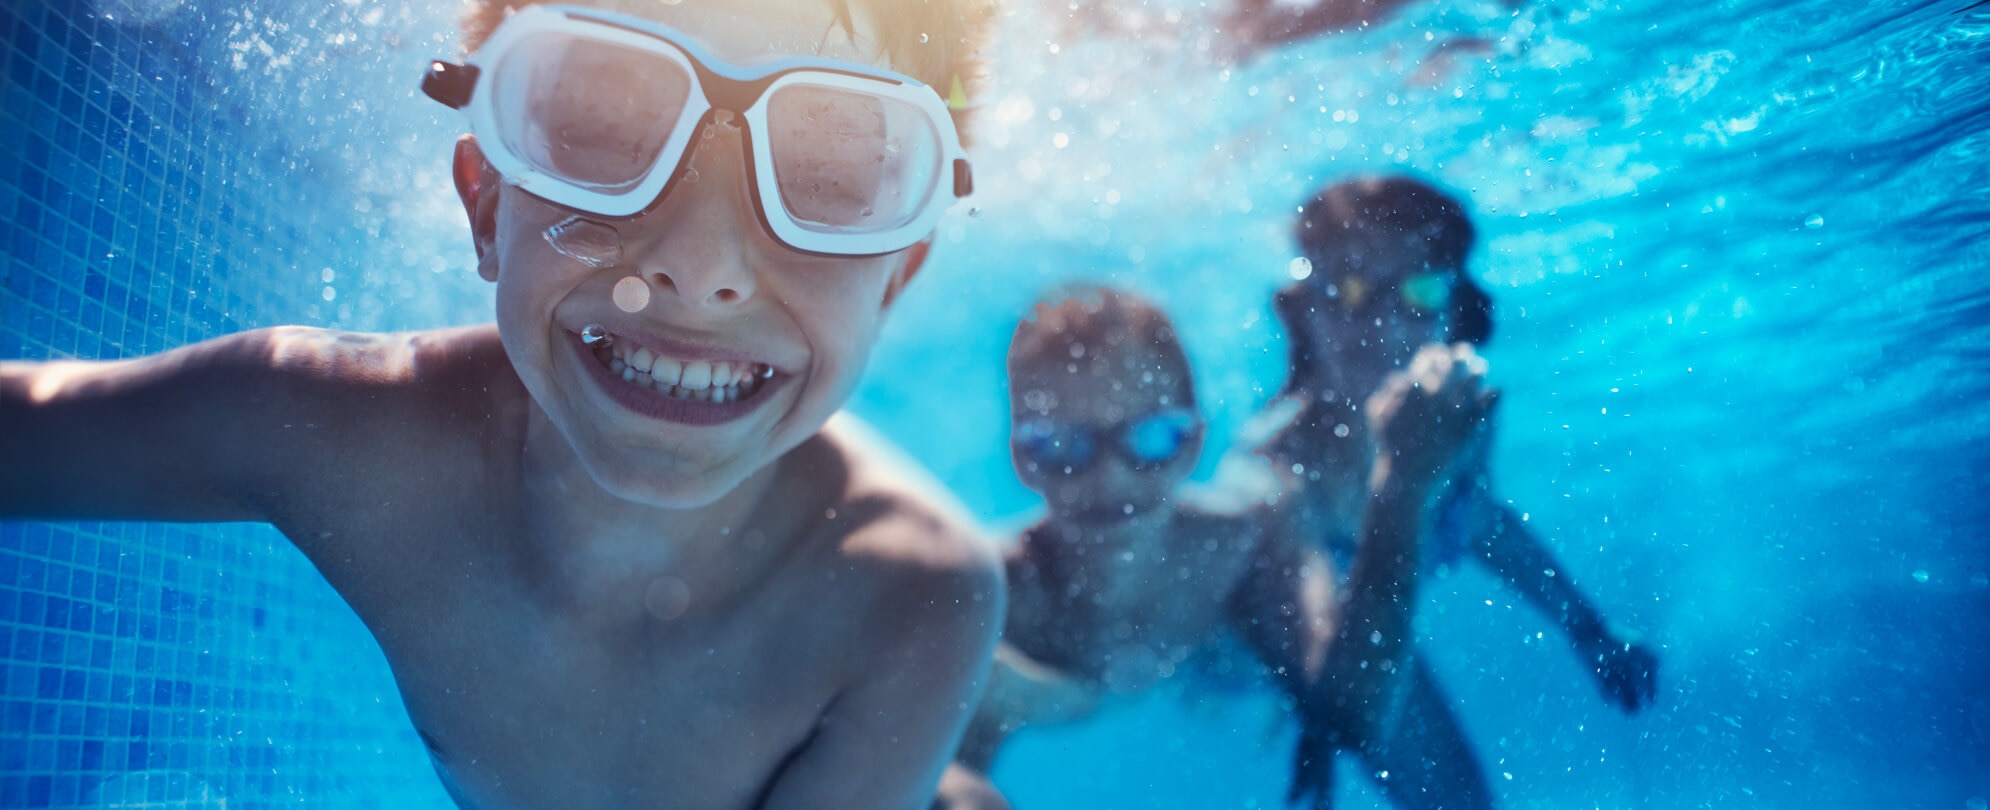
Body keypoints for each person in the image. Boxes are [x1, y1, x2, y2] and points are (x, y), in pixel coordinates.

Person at [0, 0, 1005, 807]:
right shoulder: (344, 435)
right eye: (607, 132)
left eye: (828, 177)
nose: (698, 271)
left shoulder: (910, 594)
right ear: (486, 202)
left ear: (896, 278)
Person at [936, 287, 1496, 809]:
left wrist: (1402, 488)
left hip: (1232, 659)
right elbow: (934, 763)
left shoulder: (1243, 538)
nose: (1109, 478)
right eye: (1064, 445)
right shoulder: (989, 593)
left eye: (1149, 438)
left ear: (1193, 443)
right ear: (1021, 458)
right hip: (1073, 686)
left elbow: (1355, 715)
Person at [1250, 175, 1662, 807]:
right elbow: (1302, 634)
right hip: (1240, 663)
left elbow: (1479, 523)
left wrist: (1589, 630)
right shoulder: (1280, 467)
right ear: (1305, 311)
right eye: (1353, 289)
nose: (1384, 320)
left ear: (1454, 314)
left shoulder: (1456, 421)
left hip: (1355, 648)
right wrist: (1321, 731)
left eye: (1419, 290)